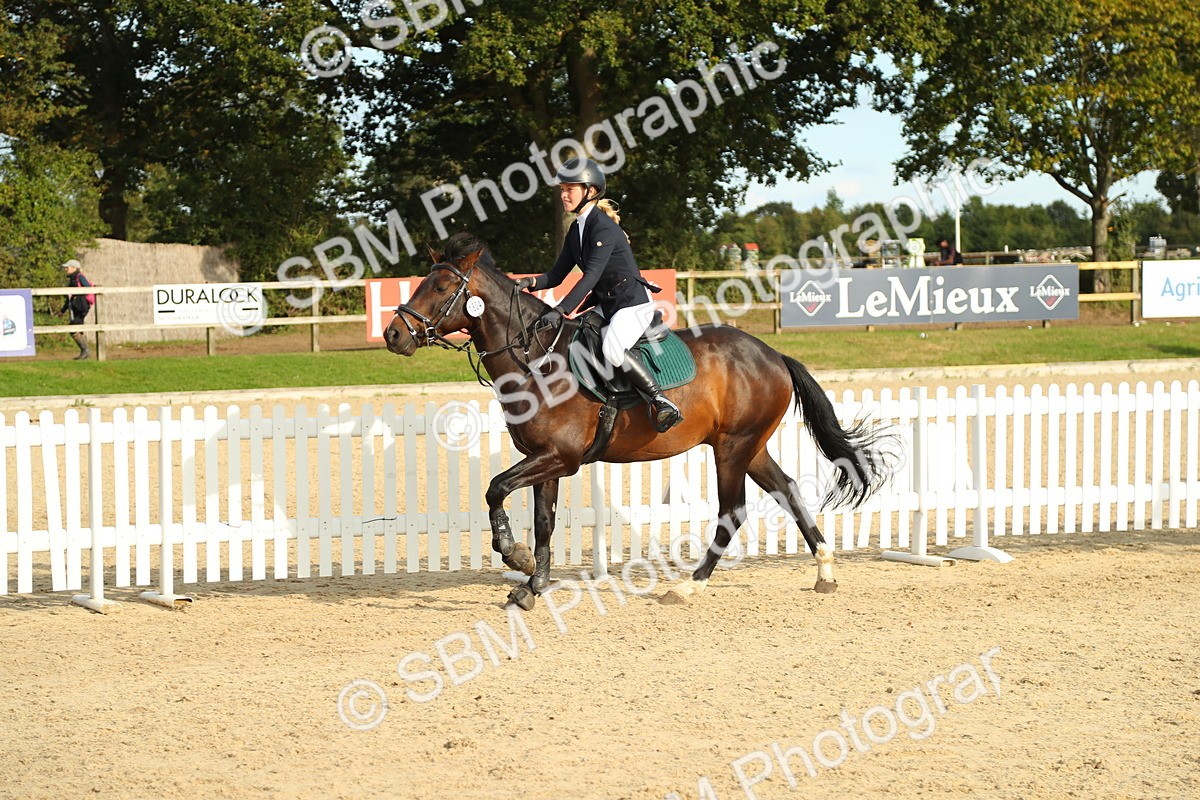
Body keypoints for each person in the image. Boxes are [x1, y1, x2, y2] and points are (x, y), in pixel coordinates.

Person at [515, 157, 683, 433]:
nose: (563, 194)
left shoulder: (603, 228)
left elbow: (590, 276)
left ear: (590, 192)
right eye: (562, 189)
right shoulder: (576, 229)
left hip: (631, 305)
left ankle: (661, 400)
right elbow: (556, 275)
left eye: (570, 189)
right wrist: (528, 282)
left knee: (612, 349)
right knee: (575, 336)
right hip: (608, 306)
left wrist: (561, 310)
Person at [60, 259, 93, 360]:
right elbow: (69, 297)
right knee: (77, 328)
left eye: (67, 267)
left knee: (73, 327)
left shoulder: (79, 277)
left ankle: (85, 350)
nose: (65, 269)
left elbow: (87, 287)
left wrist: (78, 295)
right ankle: (85, 352)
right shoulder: (72, 279)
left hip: (82, 306)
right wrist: (62, 310)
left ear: (74, 268)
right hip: (77, 306)